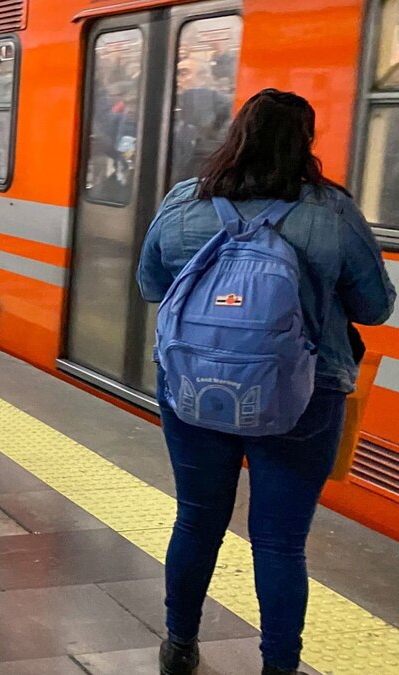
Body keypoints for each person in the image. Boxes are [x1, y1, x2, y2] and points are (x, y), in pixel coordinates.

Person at [137, 89, 395, 675]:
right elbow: (374, 308)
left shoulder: (183, 204)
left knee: (197, 517)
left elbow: (152, 286)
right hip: (305, 393)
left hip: (194, 390)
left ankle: (179, 645)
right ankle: (279, 665)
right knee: (279, 541)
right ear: (305, 144)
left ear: (236, 137)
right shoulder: (332, 211)